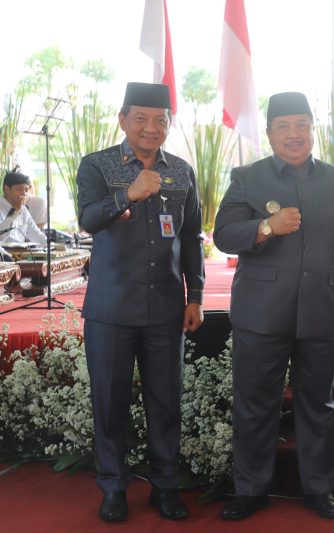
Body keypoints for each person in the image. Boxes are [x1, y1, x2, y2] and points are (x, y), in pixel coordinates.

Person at [214, 91, 334, 521]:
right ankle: (251, 489)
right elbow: (223, 235)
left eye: (302, 124)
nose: (293, 134)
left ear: (313, 130)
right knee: (255, 404)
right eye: (283, 126)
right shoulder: (247, 177)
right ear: (269, 133)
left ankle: (319, 489)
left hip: (322, 311)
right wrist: (266, 226)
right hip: (261, 313)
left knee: (318, 404)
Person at [76, 82, 205, 523]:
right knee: (109, 402)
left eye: (160, 119)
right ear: (123, 120)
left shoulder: (183, 172)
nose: (152, 128)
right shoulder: (97, 165)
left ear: (170, 123)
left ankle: (165, 486)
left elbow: (191, 238)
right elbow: (88, 219)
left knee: (166, 402)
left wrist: (197, 296)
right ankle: (113, 487)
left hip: (167, 310)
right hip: (110, 309)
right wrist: (127, 195)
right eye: (141, 119)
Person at [0, 171, 47, 245]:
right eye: (19, 189)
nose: (24, 193)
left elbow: (38, 236)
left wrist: (53, 247)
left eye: (26, 190)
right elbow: (1, 236)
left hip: (21, 254)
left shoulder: (24, 210)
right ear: (7, 189)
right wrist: (15, 211)